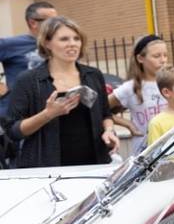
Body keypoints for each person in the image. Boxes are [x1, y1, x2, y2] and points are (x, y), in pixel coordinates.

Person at [3, 16, 118, 167]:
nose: (72, 44)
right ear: (46, 43)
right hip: (46, 168)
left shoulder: (93, 75)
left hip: (94, 164)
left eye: (76, 39)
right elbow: (13, 130)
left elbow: (105, 114)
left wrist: (109, 131)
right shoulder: (29, 80)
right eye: (64, 39)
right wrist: (48, 114)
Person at [108, 35, 169, 154]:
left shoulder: (171, 82)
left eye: (165, 55)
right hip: (145, 152)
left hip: (172, 148)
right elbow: (99, 109)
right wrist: (128, 124)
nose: (163, 60)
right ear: (140, 58)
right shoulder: (129, 88)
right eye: (156, 56)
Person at [0, 1, 58, 118]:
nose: (57, 24)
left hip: (52, 109)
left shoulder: (58, 44)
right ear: (33, 23)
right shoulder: (11, 44)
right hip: (20, 113)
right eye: (51, 21)